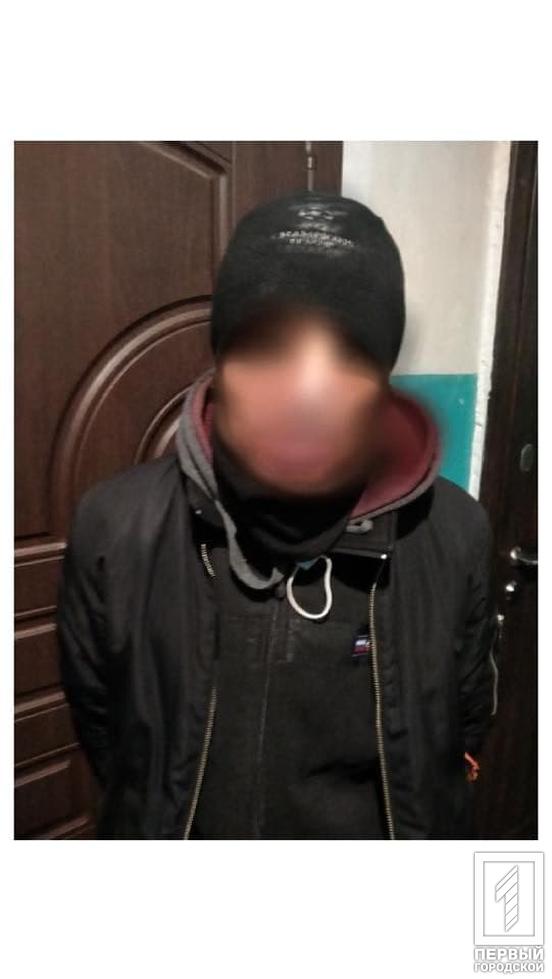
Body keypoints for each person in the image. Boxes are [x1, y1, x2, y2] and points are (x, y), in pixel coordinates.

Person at [56, 189, 500, 840]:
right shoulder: (115, 528)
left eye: (346, 354)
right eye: (268, 348)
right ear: (222, 362)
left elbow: (462, 722)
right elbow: (113, 741)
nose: (305, 391)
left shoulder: (453, 533)